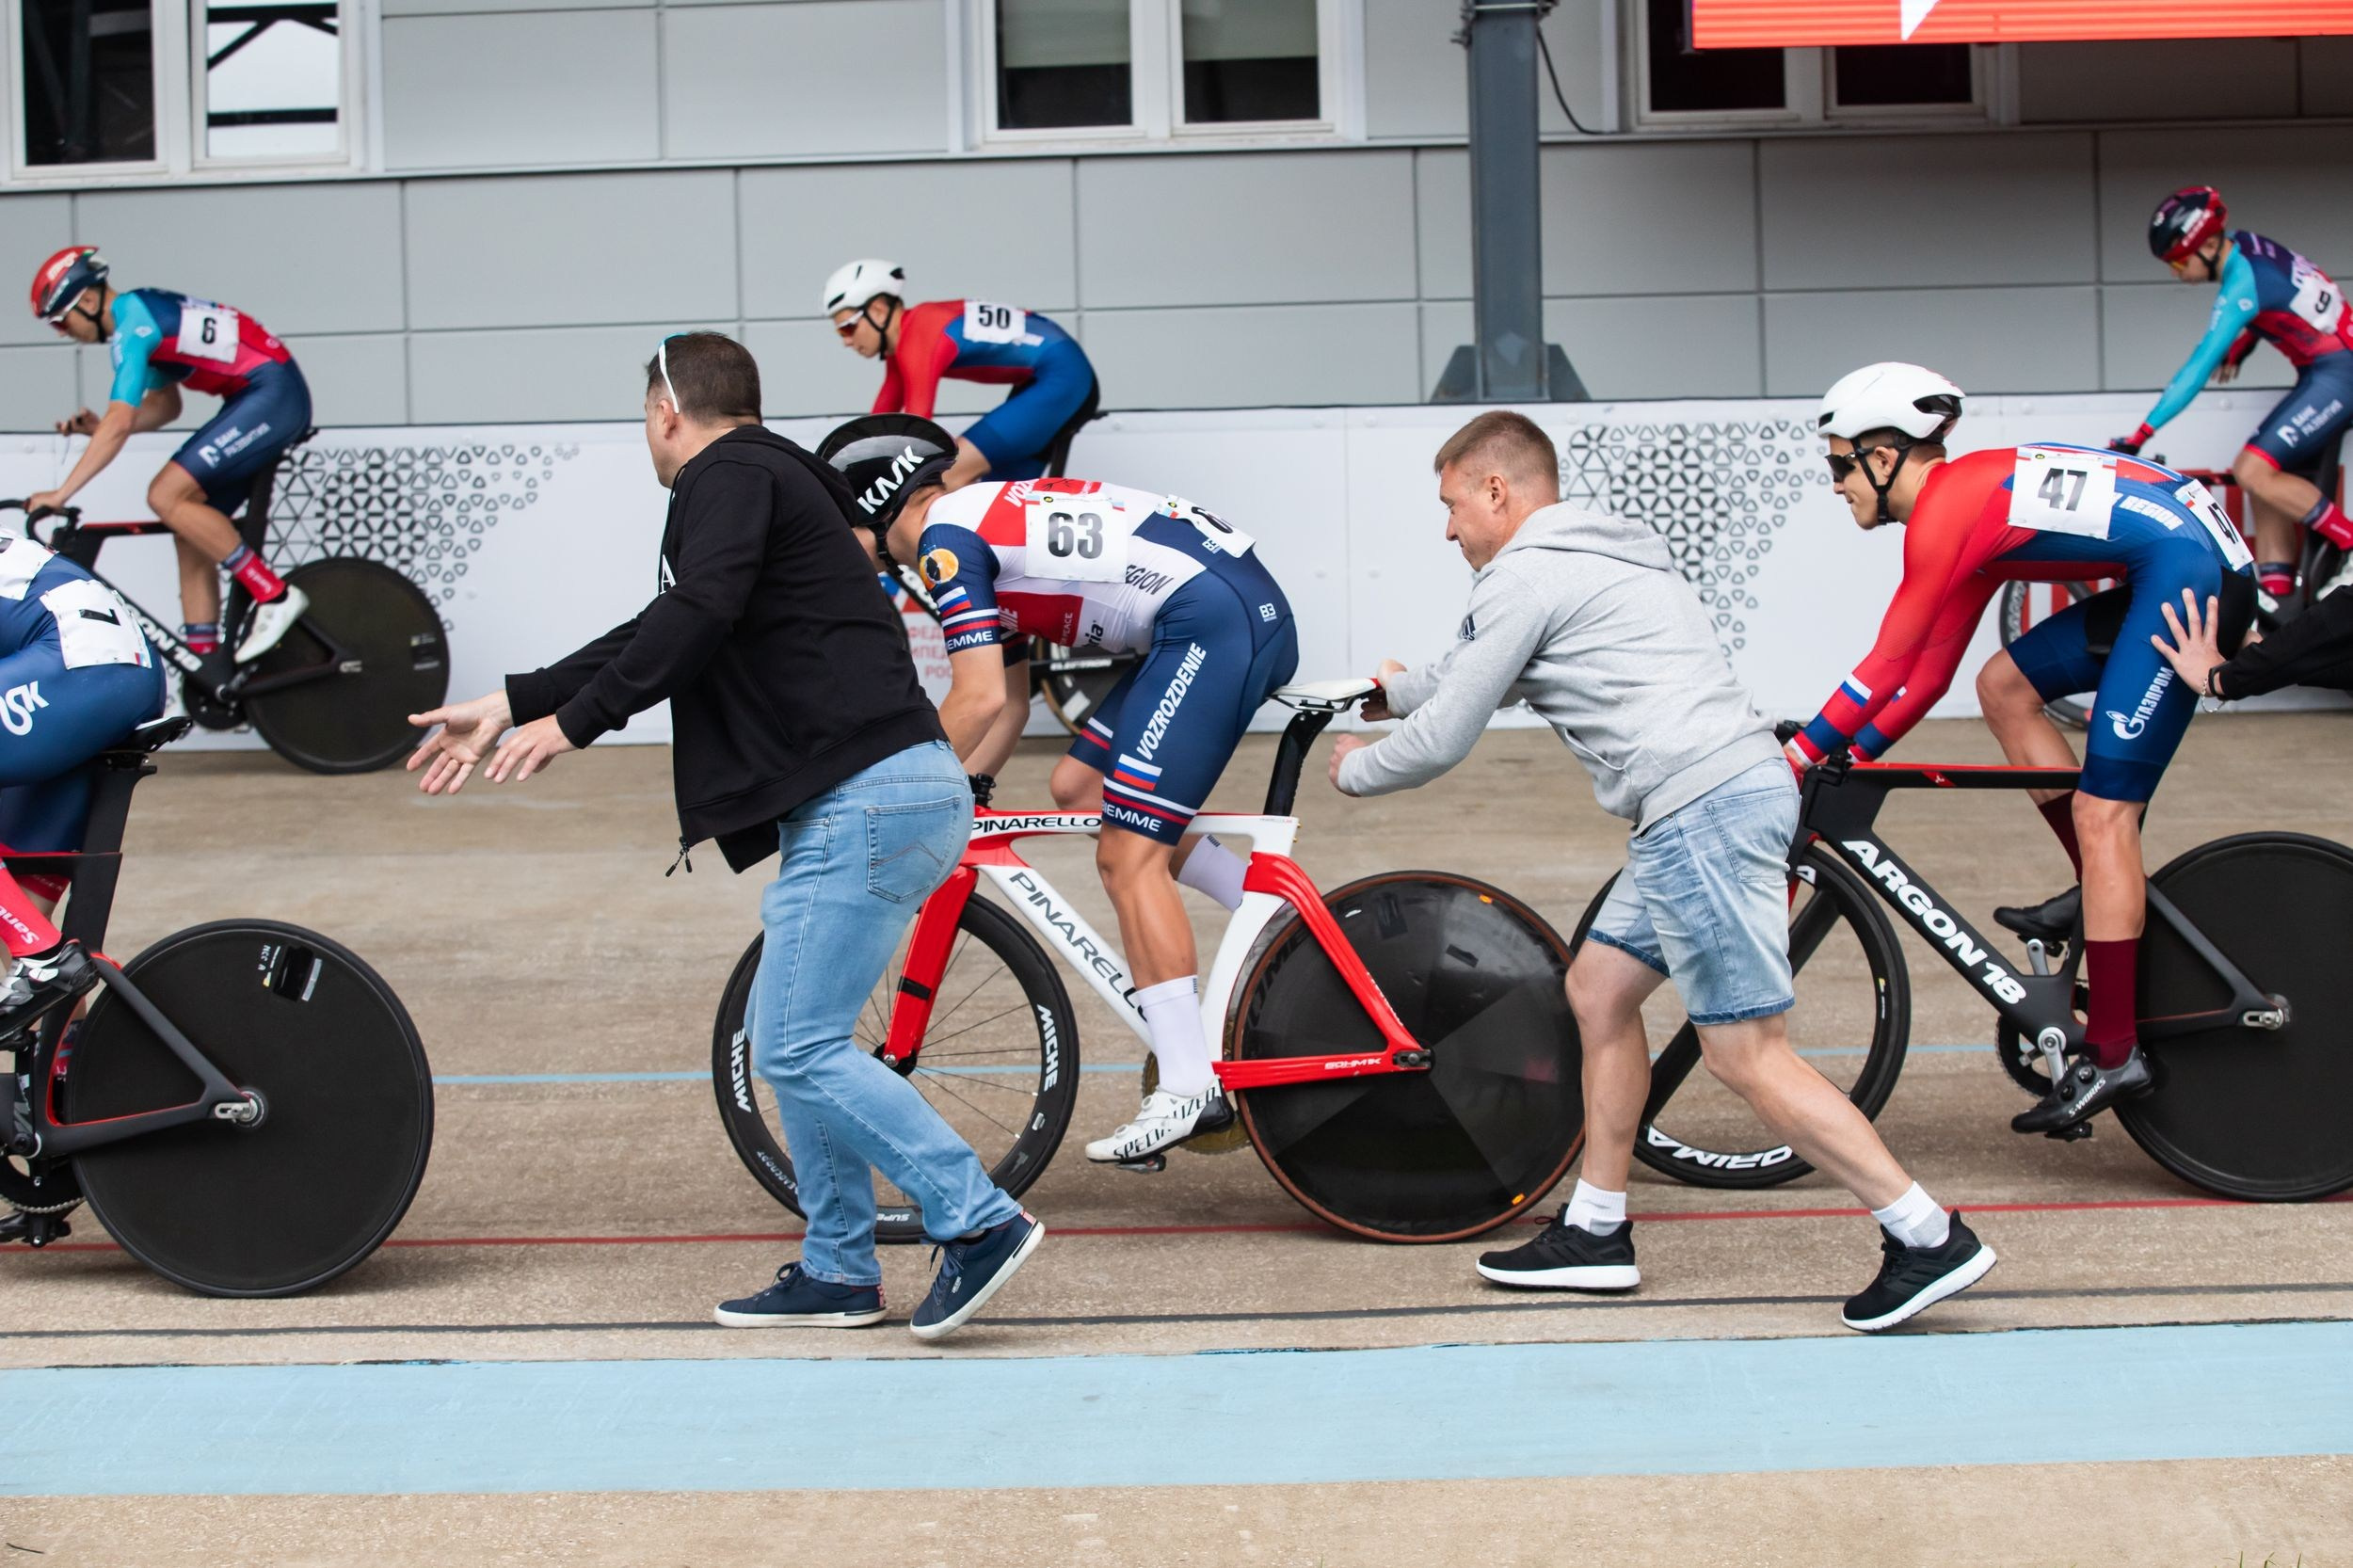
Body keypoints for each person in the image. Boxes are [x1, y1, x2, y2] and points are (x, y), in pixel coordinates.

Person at [407, 334, 1041, 1340]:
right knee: (798, 1038)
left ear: (666, 409)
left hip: (866, 796)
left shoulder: (729, 471)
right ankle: (838, 1268)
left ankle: (976, 1218)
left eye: (642, 423)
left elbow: (694, 613)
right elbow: (668, 621)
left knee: (791, 1042)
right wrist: (514, 698)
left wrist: (574, 724)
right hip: (867, 796)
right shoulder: (774, 484)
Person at [1330, 410, 1994, 1335]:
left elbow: (1447, 732)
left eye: (1451, 506)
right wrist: (1393, 689)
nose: (1448, 530)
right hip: (1705, 798)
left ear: (1496, 489)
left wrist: (1355, 767)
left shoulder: (1523, 574)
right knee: (1598, 992)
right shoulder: (1598, 555)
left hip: (1701, 810)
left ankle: (1924, 1233)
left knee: (1744, 1054)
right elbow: (1474, 667)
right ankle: (1596, 1231)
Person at [1790, 363, 2253, 1136]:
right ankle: (2100, 886)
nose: (1835, 483)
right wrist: (1850, 755)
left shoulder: (1946, 515)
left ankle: (2114, 1054)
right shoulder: (1963, 512)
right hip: (2176, 559)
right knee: (2003, 686)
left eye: (1840, 464)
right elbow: (1929, 677)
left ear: (1883, 456)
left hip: (2193, 574)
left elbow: (1885, 665)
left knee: (2108, 814)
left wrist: (1801, 757)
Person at [822, 414, 1298, 1165]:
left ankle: (1188, 1088)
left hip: (1213, 621)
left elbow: (974, 699)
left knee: (1127, 856)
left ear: (874, 510)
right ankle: (1269, 916)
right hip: (1207, 614)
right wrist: (969, 784)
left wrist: (898, 786)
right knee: (1078, 787)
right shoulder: (961, 532)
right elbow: (1007, 702)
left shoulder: (947, 543)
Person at [24, 248, 311, 665]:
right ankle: (210, 666)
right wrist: (99, 428)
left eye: (60, 319)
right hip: (260, 394)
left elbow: (121, 422)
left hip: (272, 393)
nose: (61, 331)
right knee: (187, 523)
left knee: (164, 494)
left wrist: (61, 492)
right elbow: (164, 408)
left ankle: (274, 594)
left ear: (86, 301)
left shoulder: (133, 327)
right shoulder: (141, 314)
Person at [2115, 187, 2353, 604]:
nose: (2175, 273)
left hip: (2338, 371)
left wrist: (2140, 434)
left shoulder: (2242, 283)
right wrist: (2247, 342)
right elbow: (2288, 299)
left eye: (2177, 261)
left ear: (2207, 245)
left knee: (2253, 471)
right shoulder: (2248, 246)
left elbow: (2196, 369)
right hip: (2329, 367)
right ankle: (2278, 604)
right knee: (2265, 477)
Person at [0, 522, 166, 1037]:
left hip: (79, 668)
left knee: (34, 951)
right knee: (21, 909)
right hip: (108, 673)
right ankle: (61, 1088)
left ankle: (45, 959)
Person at [824, 259, 1099, 490]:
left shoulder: (920, 333)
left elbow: (919, 430)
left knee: (942, 479)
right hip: (1048, 378)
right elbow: (880, 423)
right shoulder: (908, 336)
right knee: (999, 501)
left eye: (847, 328)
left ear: (878, 310)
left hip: (1063, 378)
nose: (846, 341)